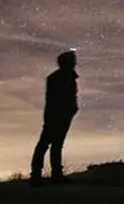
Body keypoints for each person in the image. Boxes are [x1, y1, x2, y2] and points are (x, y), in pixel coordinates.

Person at [30, 50, 79, 185]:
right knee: (46, 144)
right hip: (55, 116)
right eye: (72, 60)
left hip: (63, 115)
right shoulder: (57, 78)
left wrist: (72, 109)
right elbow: (56, 99)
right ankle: (36, 175)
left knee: (56, 144)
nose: (75, 63)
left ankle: (55, 175)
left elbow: (71, 97)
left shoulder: (67, 77)